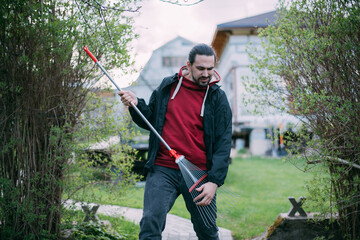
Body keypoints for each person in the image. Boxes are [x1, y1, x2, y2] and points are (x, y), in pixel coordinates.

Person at [118, 43, 232, 240]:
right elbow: (152, 120)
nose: (206, 74)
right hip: (164, 168)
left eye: (210, 68)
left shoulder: (217, 98)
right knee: (150, 223)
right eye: (201, 68)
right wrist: (136, 105)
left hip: (199, 174)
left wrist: (214, 181)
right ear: (188, 65)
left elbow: (223, 143)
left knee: (207, 231)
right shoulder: (168, 86)